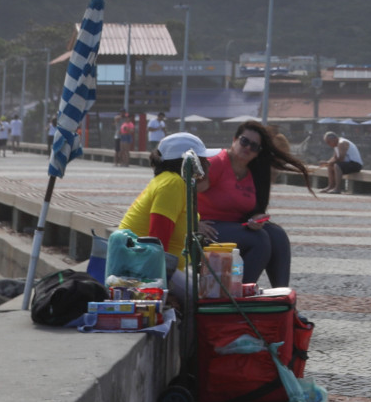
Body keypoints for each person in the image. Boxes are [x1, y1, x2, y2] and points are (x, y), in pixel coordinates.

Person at [194, 120, 312, 289]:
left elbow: (250, 209)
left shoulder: (254, 174)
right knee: (259, 240)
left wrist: (256, 219)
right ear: (234, 140)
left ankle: (282, 297)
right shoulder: (218, 163)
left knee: (277, 235)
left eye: (254, 146)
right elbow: (183, 190)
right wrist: (193, 222)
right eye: (244, 141)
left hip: (233, 228)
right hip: (207, 228)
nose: (248, 148)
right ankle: (239, 296)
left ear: (258, 153)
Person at [118, 131, 209, 308]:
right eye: (203, 159)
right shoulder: (172, 184)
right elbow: (156, 243)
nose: (208, 163)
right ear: (188, 161)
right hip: (140, 270)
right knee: (205, 299)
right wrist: (160, 294)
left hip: (149, 266)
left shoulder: (171, 181)